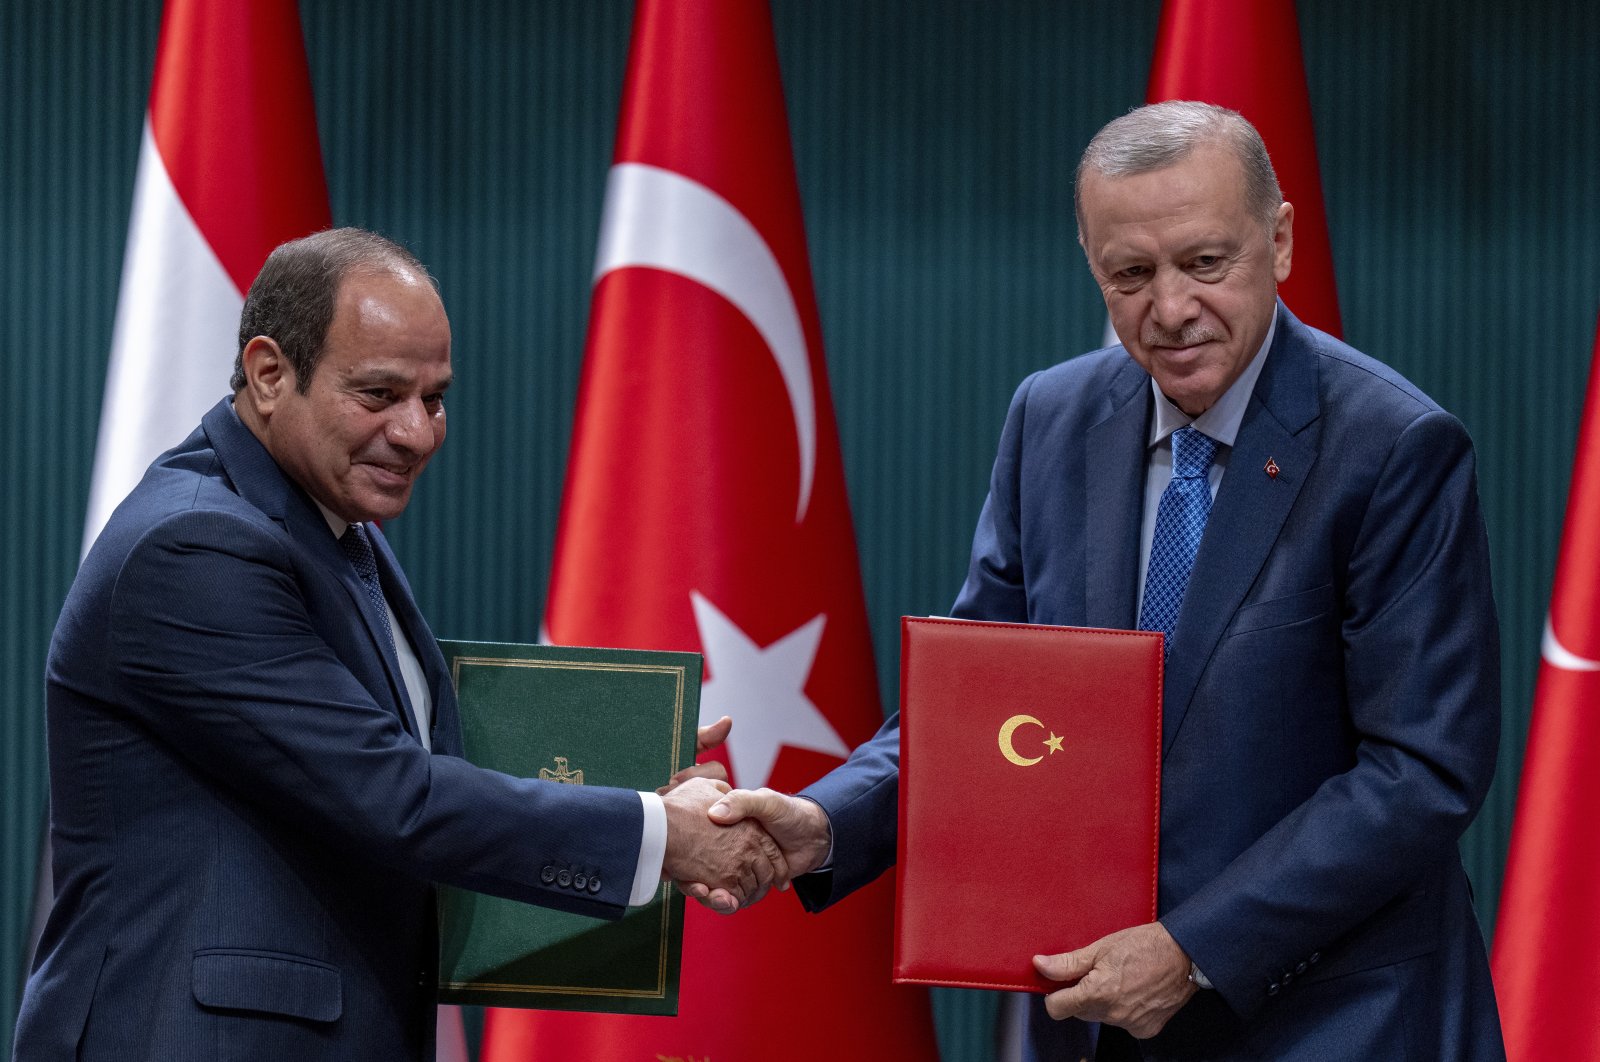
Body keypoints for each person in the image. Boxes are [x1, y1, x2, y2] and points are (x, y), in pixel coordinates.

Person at [702, 102, 1505, 1060]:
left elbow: (1420, 772)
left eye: (1206, 262)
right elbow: (979, 703)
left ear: (1280, 240)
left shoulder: (1394, 446)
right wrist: (824, 821)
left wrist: (1194, 949)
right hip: (1085, 1021)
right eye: (1131, 274)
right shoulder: (1051, 417)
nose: (1169, 309)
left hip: (1332, 1021)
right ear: (1092, 264)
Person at [13, 228, 782, 1061]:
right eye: (379, 395)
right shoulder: (194, 546)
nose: (417, 433)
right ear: (271, 374)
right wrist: (658, 835)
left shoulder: (331, 523)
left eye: (435, 398)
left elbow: (372, 751)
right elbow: (389, 791)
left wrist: (625, 756)